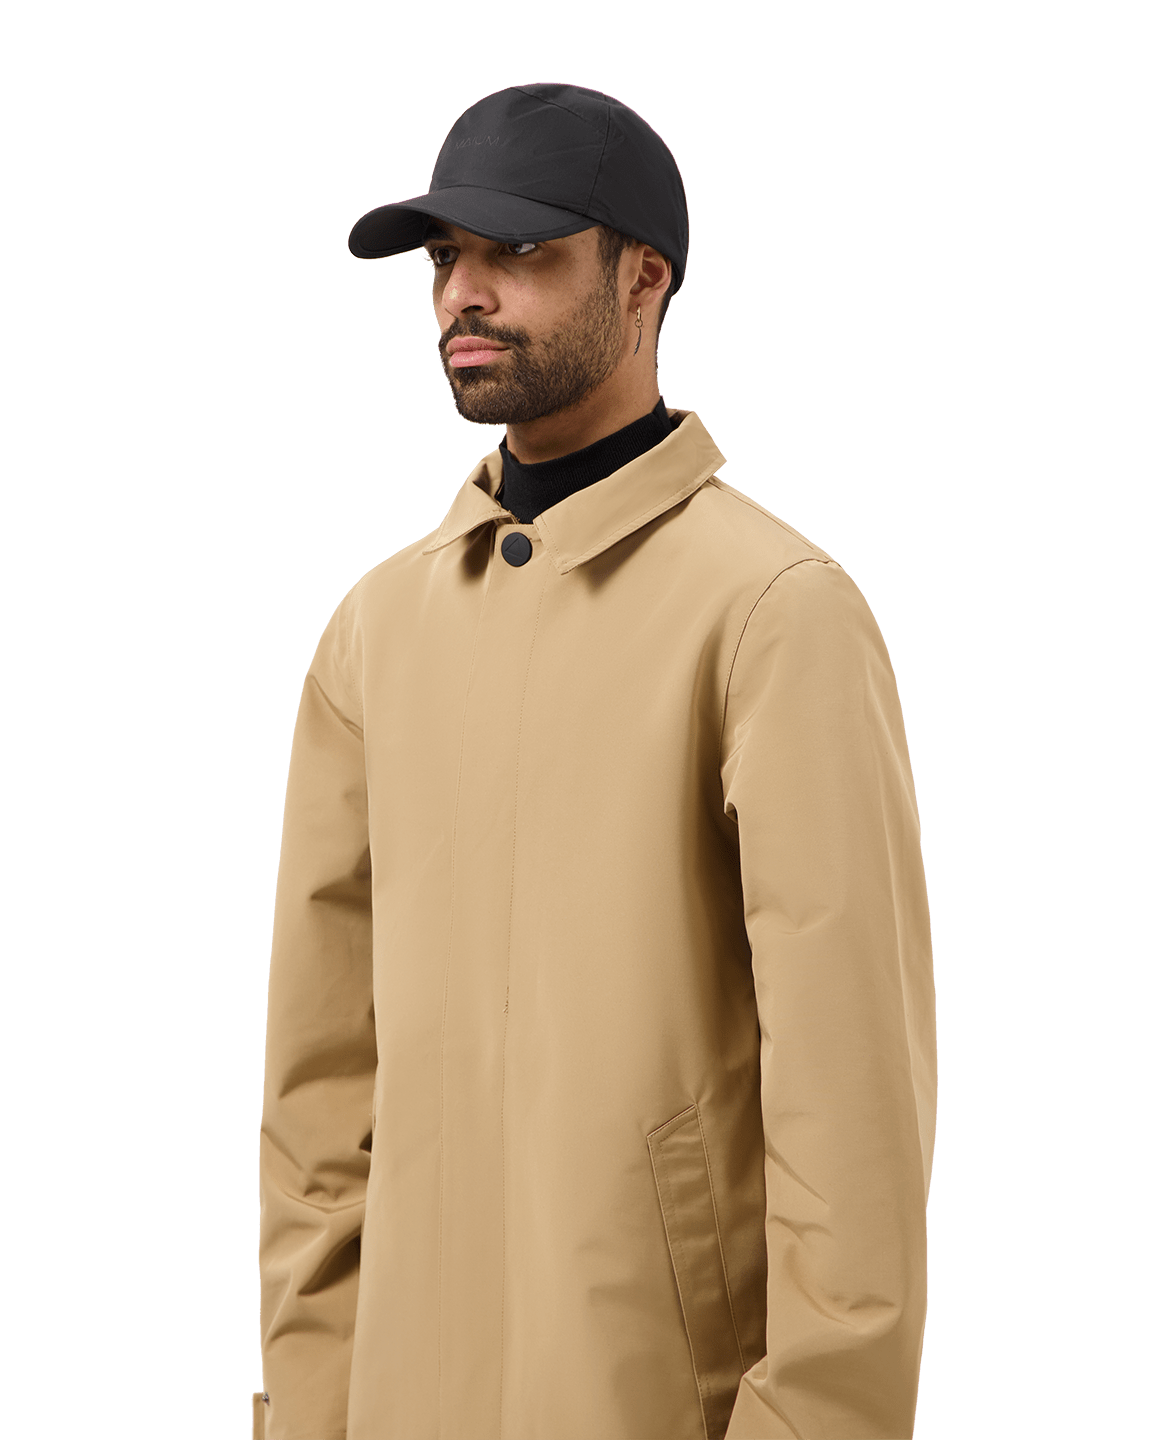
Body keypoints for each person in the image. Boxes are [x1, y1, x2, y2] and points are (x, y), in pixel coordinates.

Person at [253, 82, 937, 1440]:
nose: (464, 294)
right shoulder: (374, 631)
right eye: (446, 258)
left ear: (644, 278)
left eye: (519, 251)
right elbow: (318, 1102)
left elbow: (851, 1116)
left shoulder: (772, 614)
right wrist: (312, 1412)